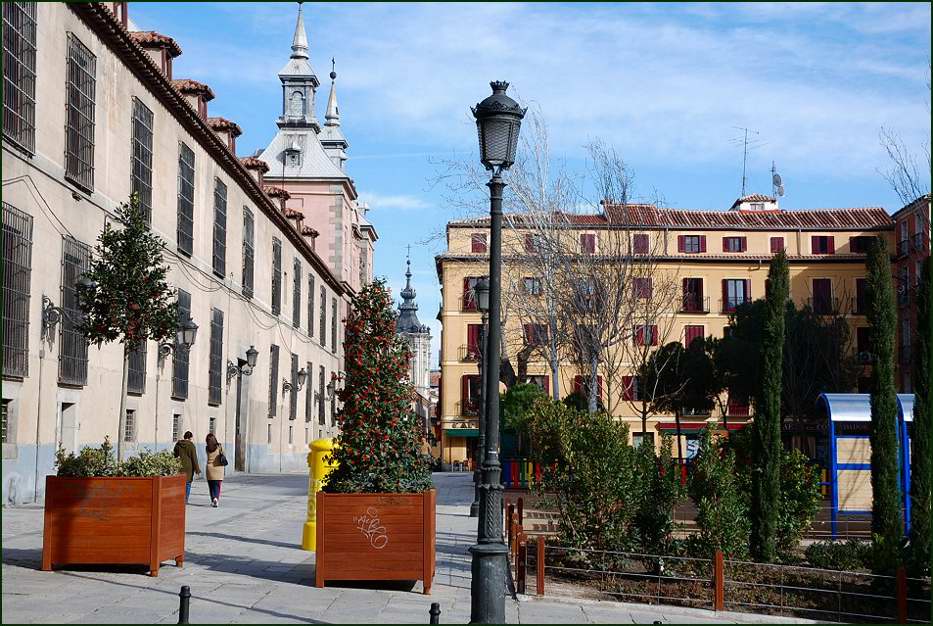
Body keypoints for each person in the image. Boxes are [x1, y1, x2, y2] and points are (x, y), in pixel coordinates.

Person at [173, 431, 200, 503]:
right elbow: (194, 458)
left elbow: (174, 454)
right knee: (188, 483)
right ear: (190, 437)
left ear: (184, 436)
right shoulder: (191, 445)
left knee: (180, 483)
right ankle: (185, 499)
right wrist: (197, 469)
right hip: (189, 467)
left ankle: (179, 497)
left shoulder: (178, 444)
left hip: (179, 465)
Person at [205, 433, 225, 507]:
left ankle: (213, 499)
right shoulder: (219, 446)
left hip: (209, 468)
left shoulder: (207, 448)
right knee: (217, 485)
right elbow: (223, 454)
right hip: (218, 468)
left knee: (211, 486)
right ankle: (216, 498)